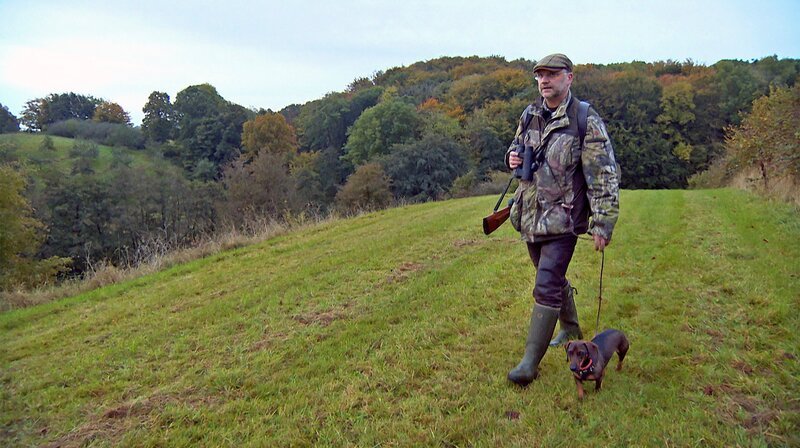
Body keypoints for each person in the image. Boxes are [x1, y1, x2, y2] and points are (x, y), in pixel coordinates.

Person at [505, 53, 620, 387]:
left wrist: (602, 223)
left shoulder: (585, 120)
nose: (545, 80)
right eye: (540, 75)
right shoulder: (530, 115)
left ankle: (529, 363)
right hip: (528, 216)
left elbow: (604, 176)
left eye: (552, 74)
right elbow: (515, 148)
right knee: (551, 277)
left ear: (569, 77)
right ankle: (570, 327)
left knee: (546, 282)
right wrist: (511, 156)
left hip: (564, 221)